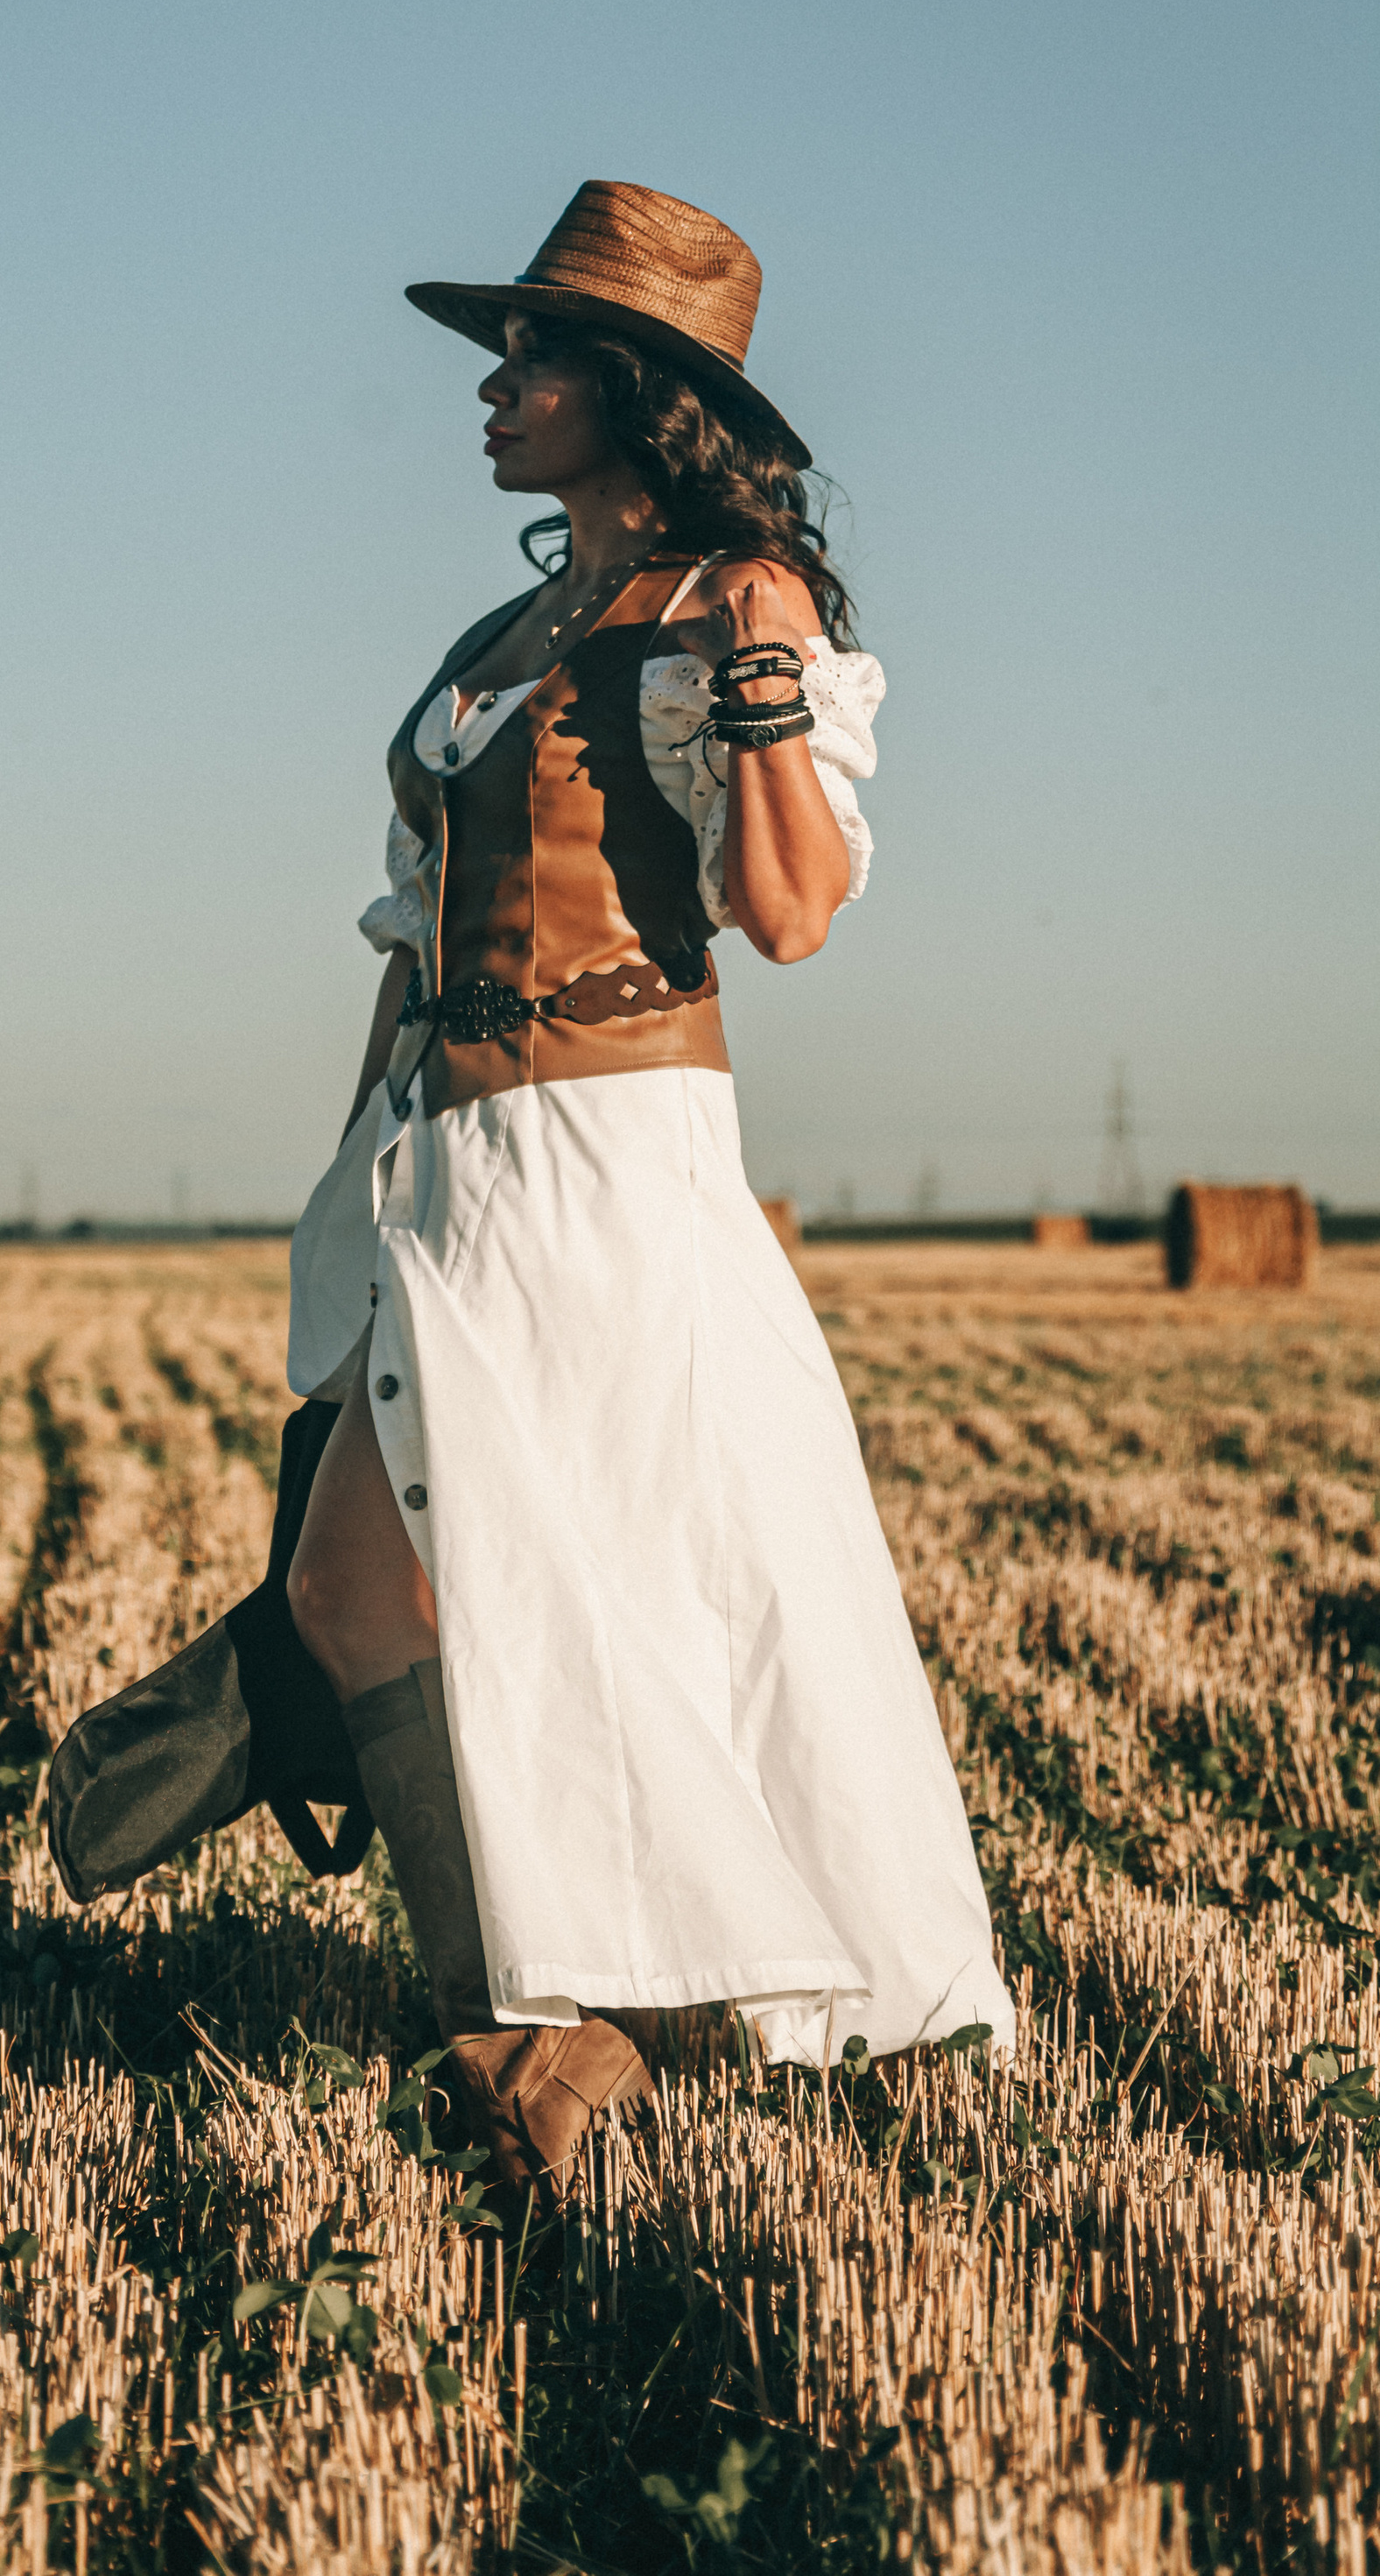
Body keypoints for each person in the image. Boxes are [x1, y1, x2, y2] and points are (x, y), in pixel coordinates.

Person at [284, 178, 1014, 2205]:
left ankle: (538, 2040)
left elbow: (784, 915)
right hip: (445, 1157)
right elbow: (402, 936)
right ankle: (537, 2018)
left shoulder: (725, 610)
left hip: (611, 1158)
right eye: (498, 358)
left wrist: (771, 681)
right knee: (356, 1582)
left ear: (632, 389)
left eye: (529, 359)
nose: (492, 392)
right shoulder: (491, 637)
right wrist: (352, 1177)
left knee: (593, 1592)